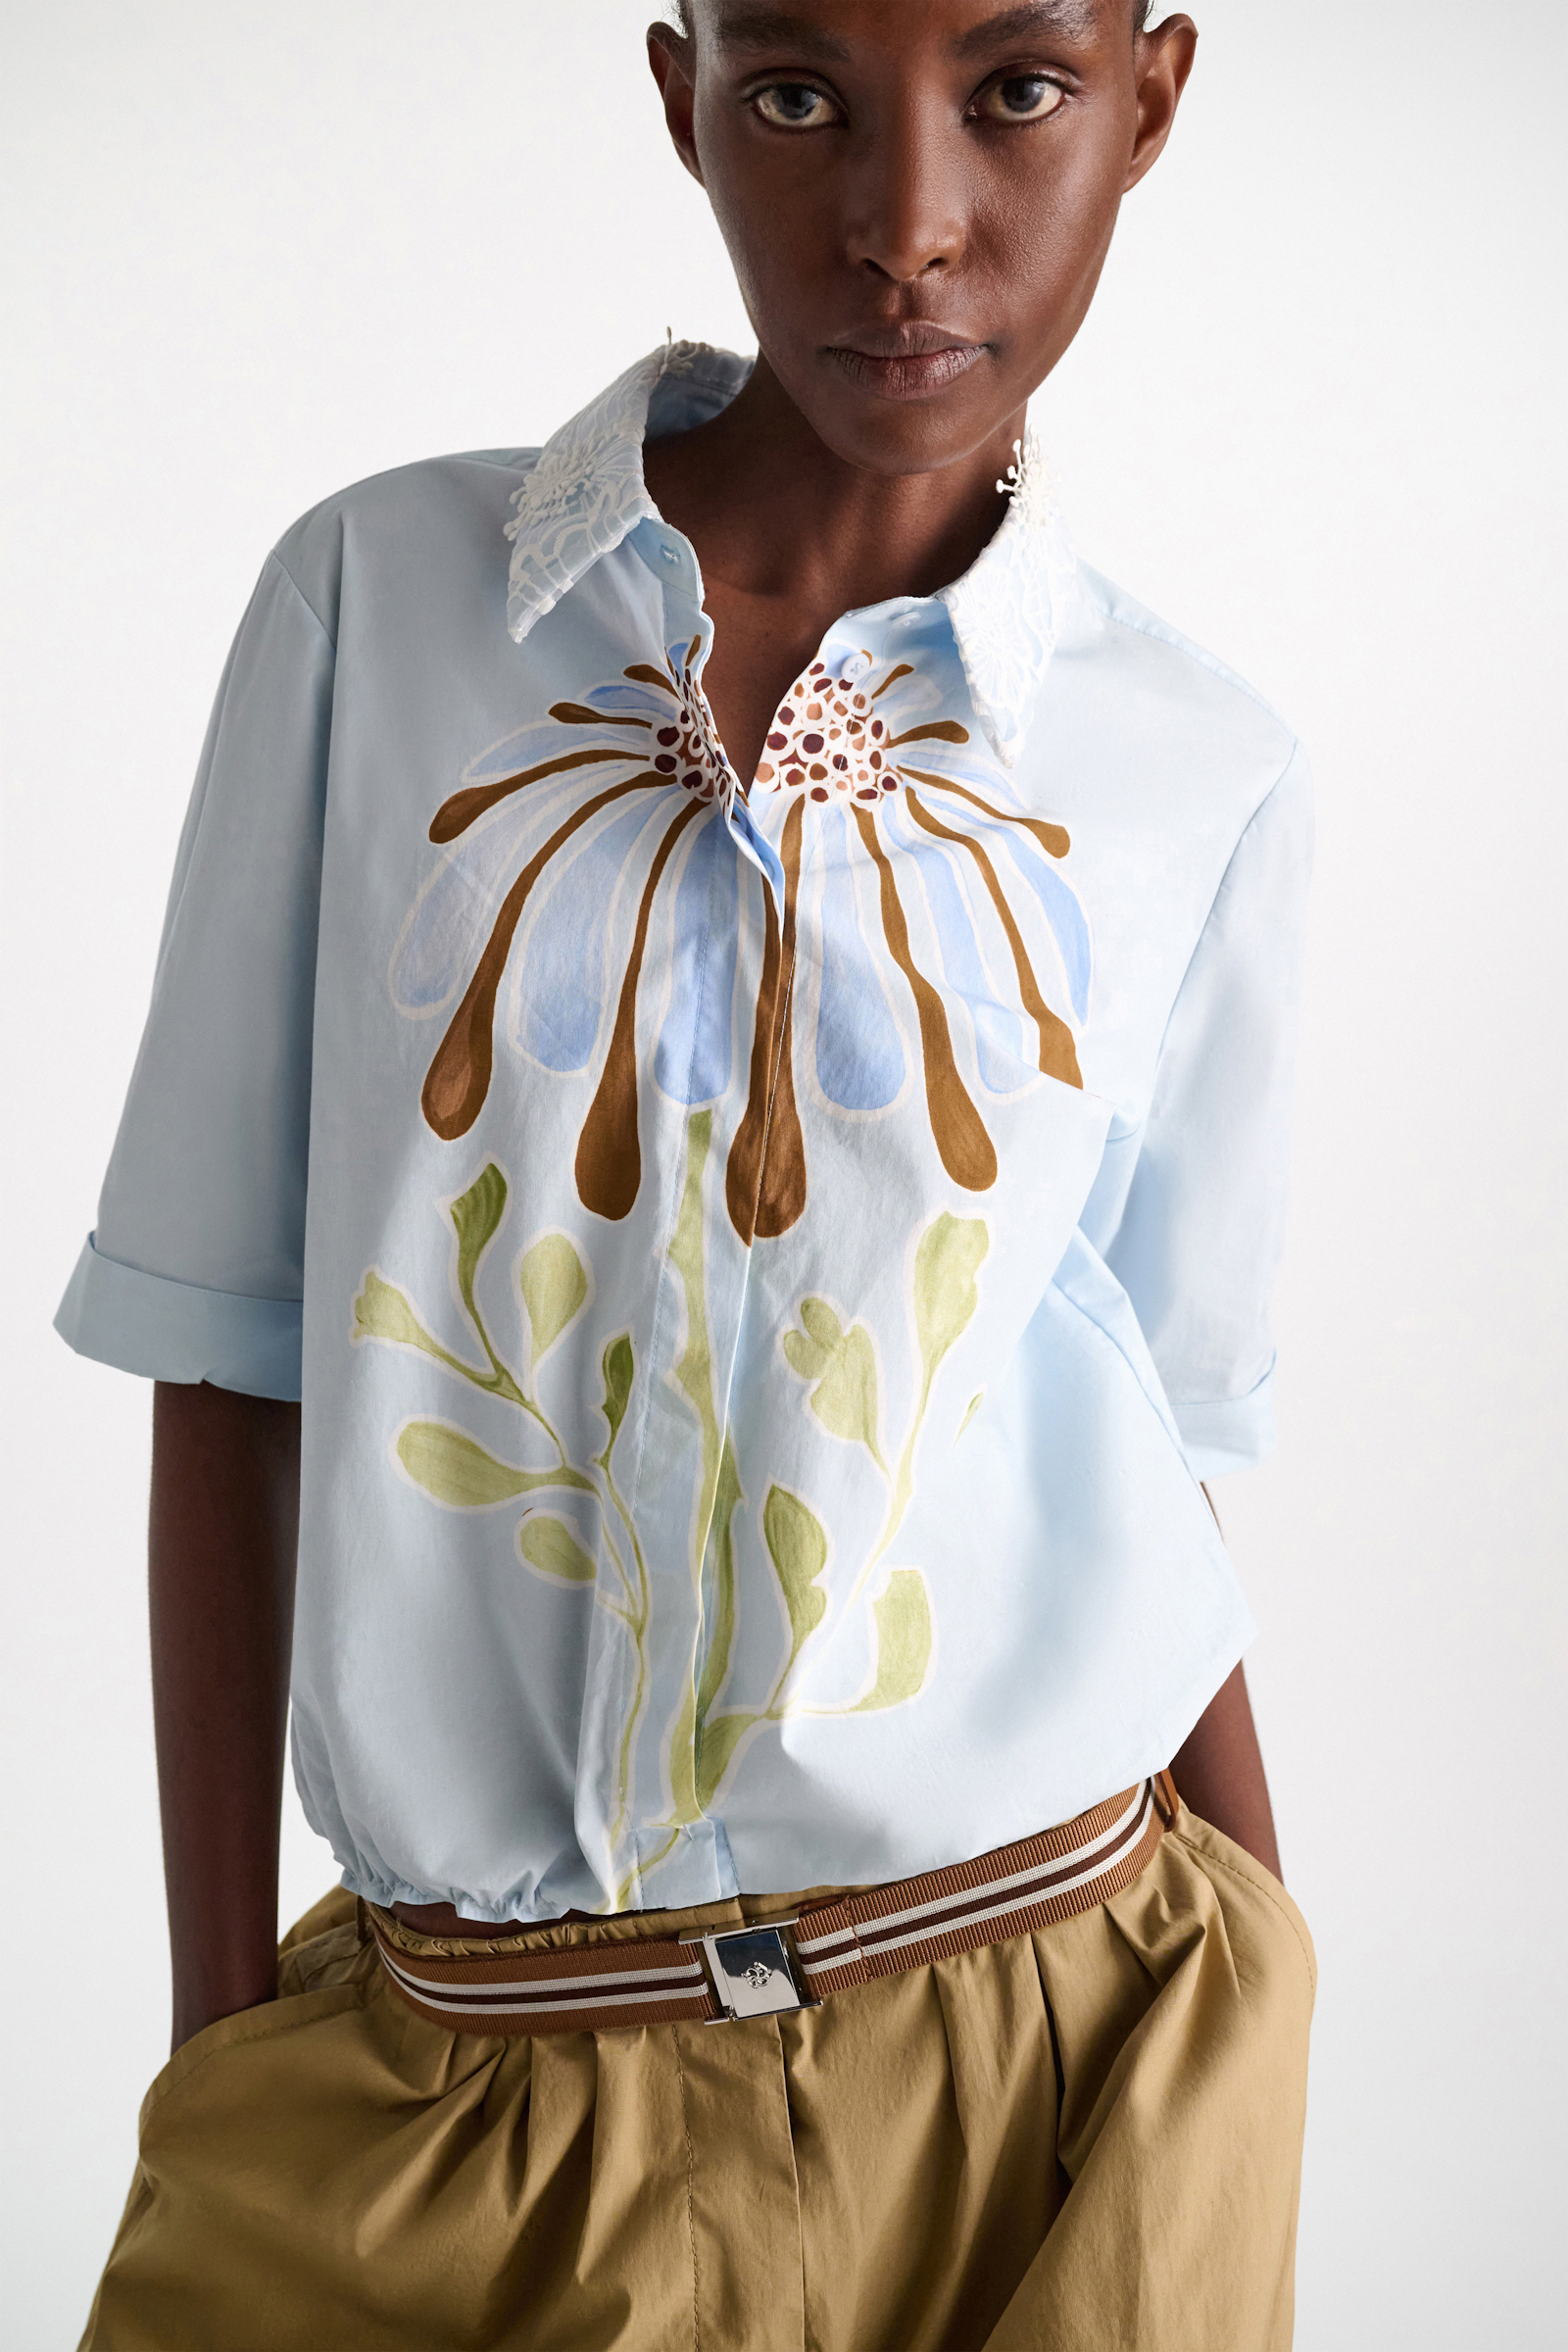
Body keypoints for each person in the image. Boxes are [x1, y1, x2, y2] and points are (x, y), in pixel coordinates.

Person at [57, 3, 1316, 2345]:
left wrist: (1266, 1964)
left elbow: (1142, 1429)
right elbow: (224, 1359)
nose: (904, 224)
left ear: (1146, 99)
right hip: (476, 2088)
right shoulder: (377, 605)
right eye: (797, 97)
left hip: (1065, 2035)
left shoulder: (1190, 768)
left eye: (1014, 91)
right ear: (681, 101)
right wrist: (217, 2043)